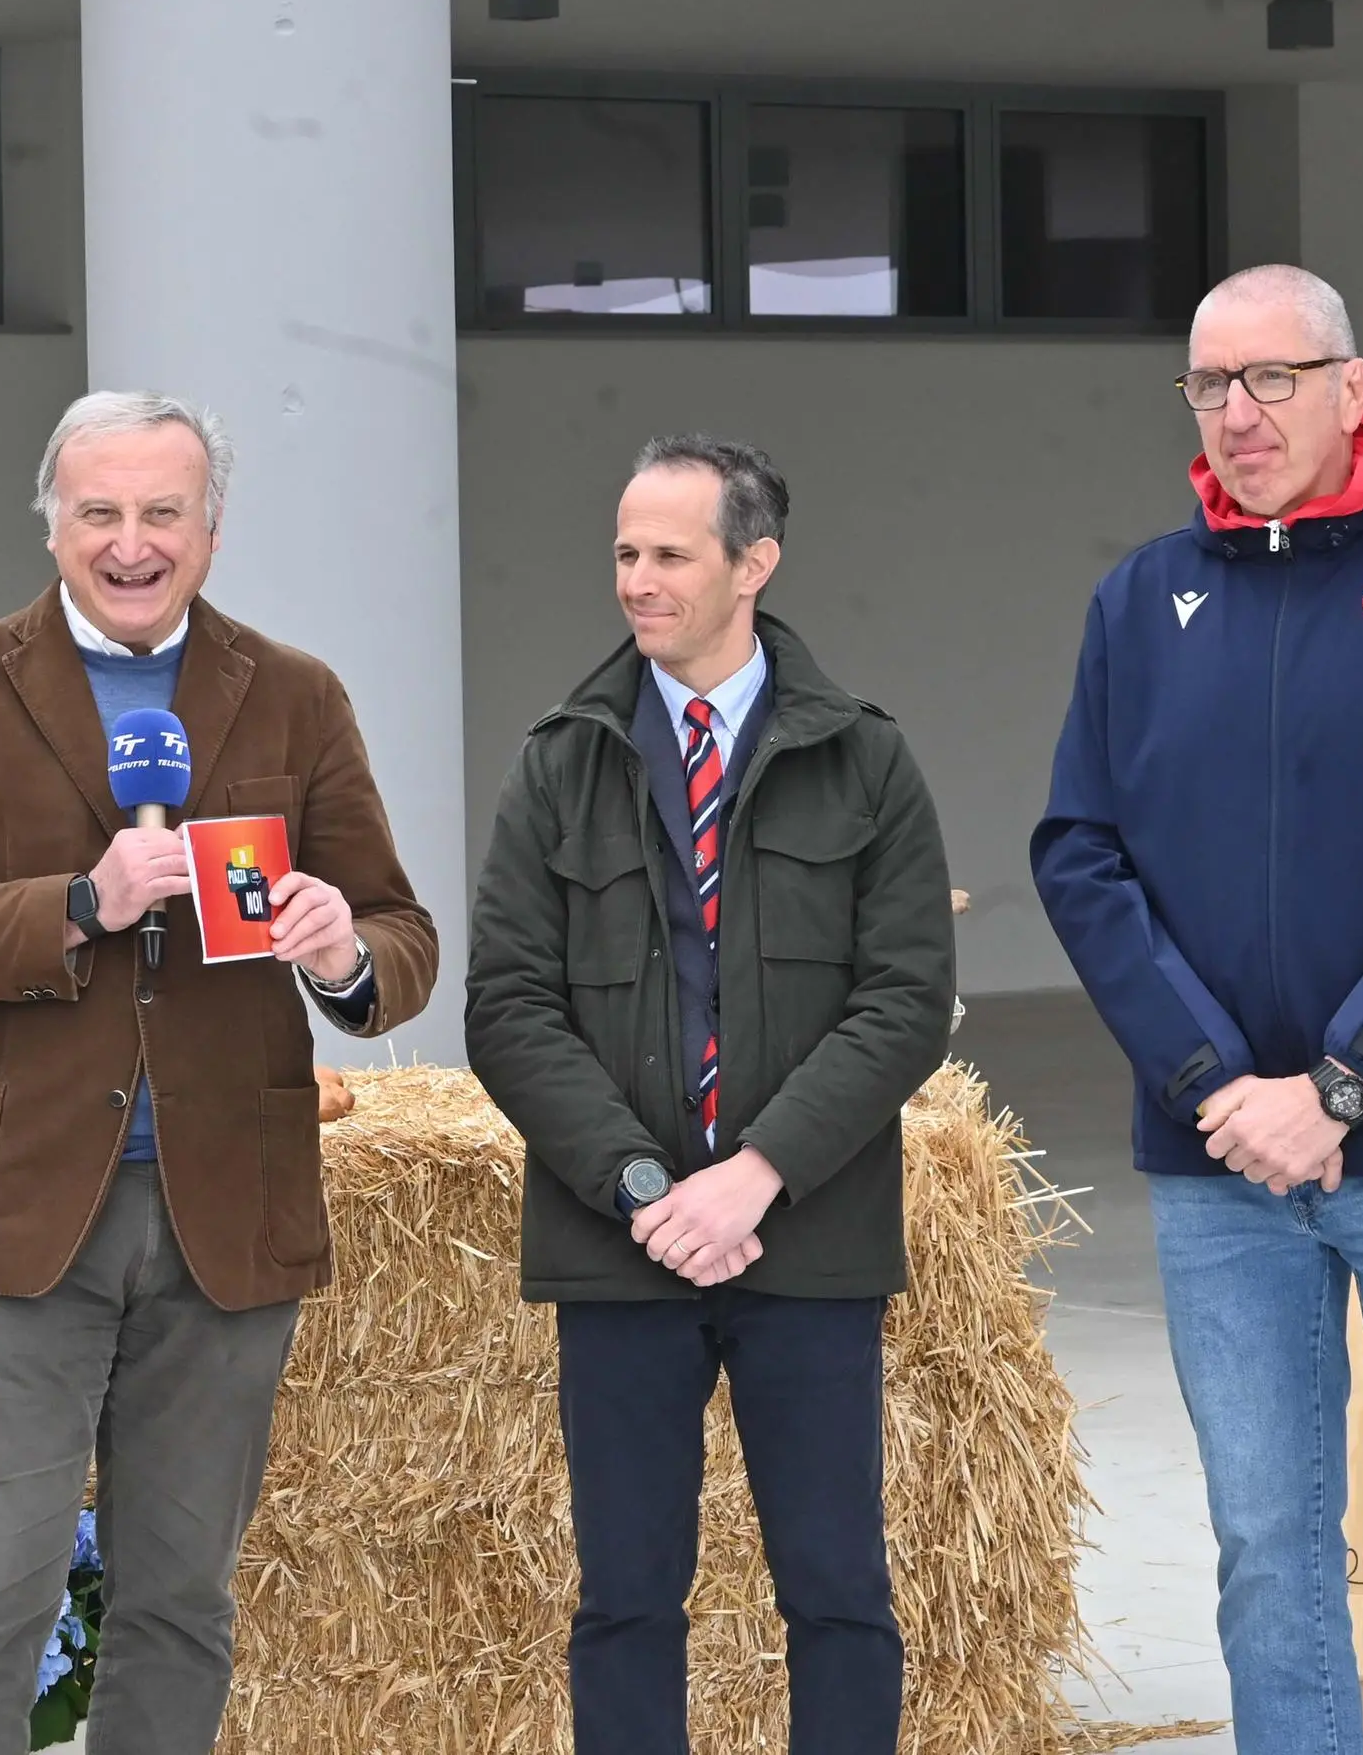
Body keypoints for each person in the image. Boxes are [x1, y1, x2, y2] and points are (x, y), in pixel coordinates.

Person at [0, 389, 437, 1755]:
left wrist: (342, 949)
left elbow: (401, 936)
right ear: (50, 522)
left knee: (182, 1594)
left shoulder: (292, 692)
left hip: (227, 1208)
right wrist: (76, 901)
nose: (129, 539)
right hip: (18, 1206)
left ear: (210, 530)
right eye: (98, 509)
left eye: (162, 510)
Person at [1033, 263, 1363, 1755]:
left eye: (1271, 377)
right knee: (1268, 1546)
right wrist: (1216, 1079)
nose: (1238, 411)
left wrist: (1342, 1081)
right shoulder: (1142, 598)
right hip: (1217, 1164)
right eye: (1210, 383)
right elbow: (1079, 853)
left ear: (1351, 384)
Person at [467, 435, 955, 1755]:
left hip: (806, 1238)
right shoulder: (558, 759)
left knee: (838, 1590)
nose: (635, 578)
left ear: (754, 563)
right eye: (623, 550)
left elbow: (903, 996)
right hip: (619, 1243)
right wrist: (641, 1186)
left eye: (668, 553)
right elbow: (506, 1005)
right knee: (624, 1596)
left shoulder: (864, 759)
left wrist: (755, 1173)